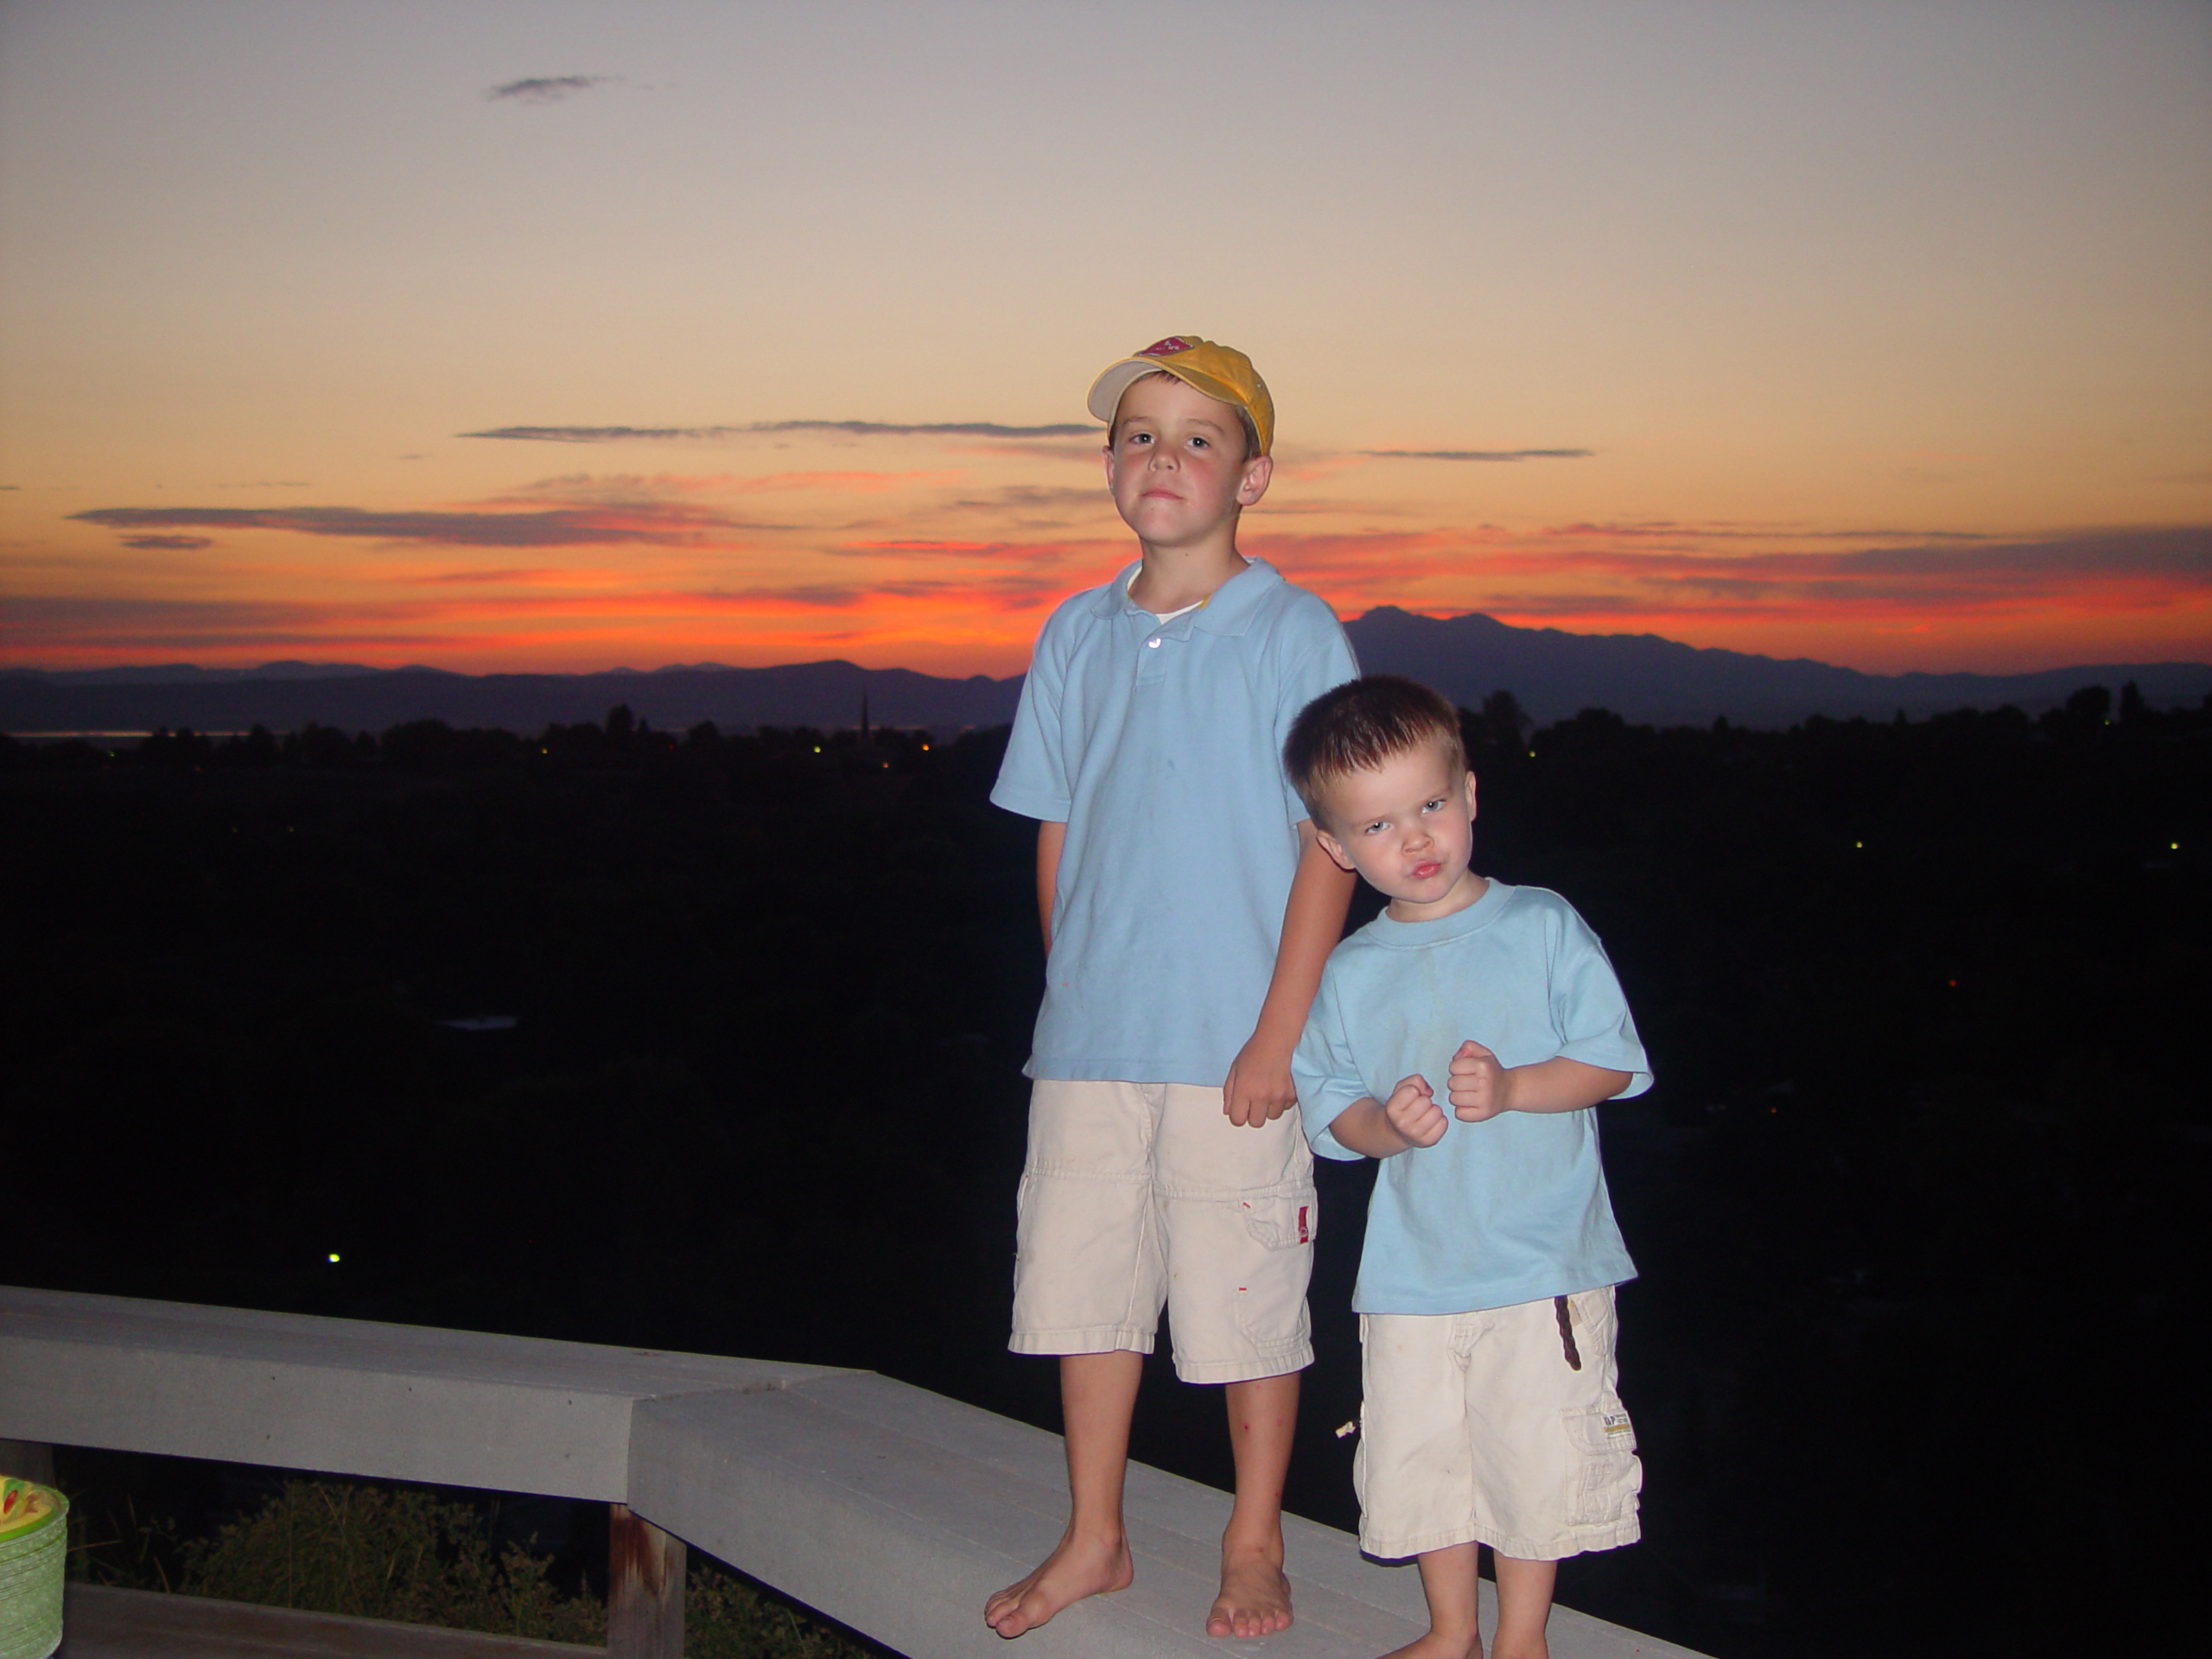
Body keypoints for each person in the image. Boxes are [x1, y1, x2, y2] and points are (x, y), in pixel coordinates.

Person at [985, 335, 1359, 1640]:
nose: (1166, 457)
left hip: (1235, 1045)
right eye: (1140, 432)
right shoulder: (1076, 633)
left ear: (1254, 477)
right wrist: (1068, 984)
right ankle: (1096, 1535)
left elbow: (1334, 841)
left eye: (1202, 437)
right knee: (1085, 1287)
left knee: (1247, 1293)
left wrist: (1278, 1035)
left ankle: (1253, 1539)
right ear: (1108, 463)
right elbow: (1056, 826)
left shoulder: (1294, 630)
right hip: (1090, 1034)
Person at [1284, 675, 1650, 1659]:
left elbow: (1614, 1059)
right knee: (1423, 1456)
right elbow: (1326, 1102)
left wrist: (1520, 1086)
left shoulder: (1540, 925)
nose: (1413, 840)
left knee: (1531, 1459)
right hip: (1412, 1275)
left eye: (1431, 806)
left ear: (1470, 794)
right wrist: (1386, 1128)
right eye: (1375, 825)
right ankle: (1450, 1631)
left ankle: (1521, 1636)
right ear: (1333, 847)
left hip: (1541, 1266)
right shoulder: (1352, 972)